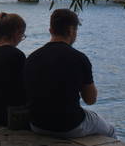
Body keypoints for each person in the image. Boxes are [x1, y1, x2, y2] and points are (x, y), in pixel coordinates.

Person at [24, 9, 116, 138]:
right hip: (69, 125)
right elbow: (90, 100)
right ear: (71, 31)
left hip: (37, 124)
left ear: (50, 30)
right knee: (110, 130)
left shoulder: (32, 58)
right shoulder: (79, 58)